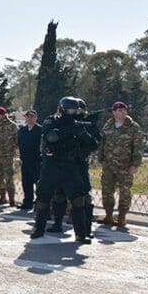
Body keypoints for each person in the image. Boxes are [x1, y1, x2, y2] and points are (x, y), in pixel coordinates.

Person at [30, 96, 98, 244]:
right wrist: (68, 130)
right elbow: (50, 137)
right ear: (62, 108)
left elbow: (93, 143)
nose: (73, 112)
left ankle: (81, 233)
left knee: (78, 200)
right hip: (51, 165)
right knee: (43, 198)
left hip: (70, 166)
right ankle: (38, 228)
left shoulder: (79, 124)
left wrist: (82, 133)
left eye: (75, 110)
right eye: (70, 109)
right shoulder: (52, 120)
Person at [47, 98, 100, 235]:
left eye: (80, 109)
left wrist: (83, 134)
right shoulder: (64, 122)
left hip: (80, 164)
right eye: (75, 110)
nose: (77, 112)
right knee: (59, 194)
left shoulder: (88, 124)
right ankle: (57, 223)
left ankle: (86, 229)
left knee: (84, 198)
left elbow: (95, 144)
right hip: (64, 163)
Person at [97, 101, 143, 227]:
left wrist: (135, 164)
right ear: (114, 112)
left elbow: (138, 148)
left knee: (125, 192)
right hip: (108, 165)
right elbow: (102, 143)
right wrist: (100, 157)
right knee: (107, 191)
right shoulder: (108, 125)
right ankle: (109, 215)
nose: (122, 112)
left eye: (124, 110)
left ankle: (122, 217)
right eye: (119, 110)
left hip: (125, 166)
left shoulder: (133, 127)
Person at [0, 107, 19, 206]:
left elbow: (17, 140)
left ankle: (12, 199)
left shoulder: (12, 126)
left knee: (9, 178)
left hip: (7, 156)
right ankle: (2, 197)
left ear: (3, 115)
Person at [17, 110, 42, 210]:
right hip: (25, 160)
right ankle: (27, 202)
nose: (29, 119)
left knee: (38, 182)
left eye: (32, 116)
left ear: (36, 118)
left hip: (37, 160)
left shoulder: (40, 130)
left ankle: (39, 203)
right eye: (27, 117)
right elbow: (19, 143)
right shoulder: (22, 130)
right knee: (26, 183)